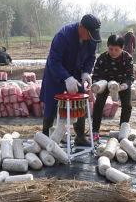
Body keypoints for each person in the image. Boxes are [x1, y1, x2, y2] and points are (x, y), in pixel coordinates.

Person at [40, 14, 101, 146]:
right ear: (81, 27)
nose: (89, 38)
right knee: (51, 103)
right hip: (55, 73)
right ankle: (45, 136)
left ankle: (80, 136)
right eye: (88, 34)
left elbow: (91, 57)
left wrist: (86, 72)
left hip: (76, 72)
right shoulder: (63, 36)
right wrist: (66, 78)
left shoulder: (91, 38)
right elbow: (54, 60)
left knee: (80, 102)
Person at [90, 34, 134, 142]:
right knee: (99, 104)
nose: (113, 52)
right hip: (104, 83)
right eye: (110, 49)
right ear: (107, 47)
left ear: (122, 48)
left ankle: (123, 132)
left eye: (116, 50)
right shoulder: (102, 58)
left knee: (127, 106)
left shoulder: (127, 58)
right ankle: (95, 131)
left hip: (121, 84)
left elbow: (130, 77)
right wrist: (95, 86)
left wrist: (122, 86)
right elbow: (95, 75)